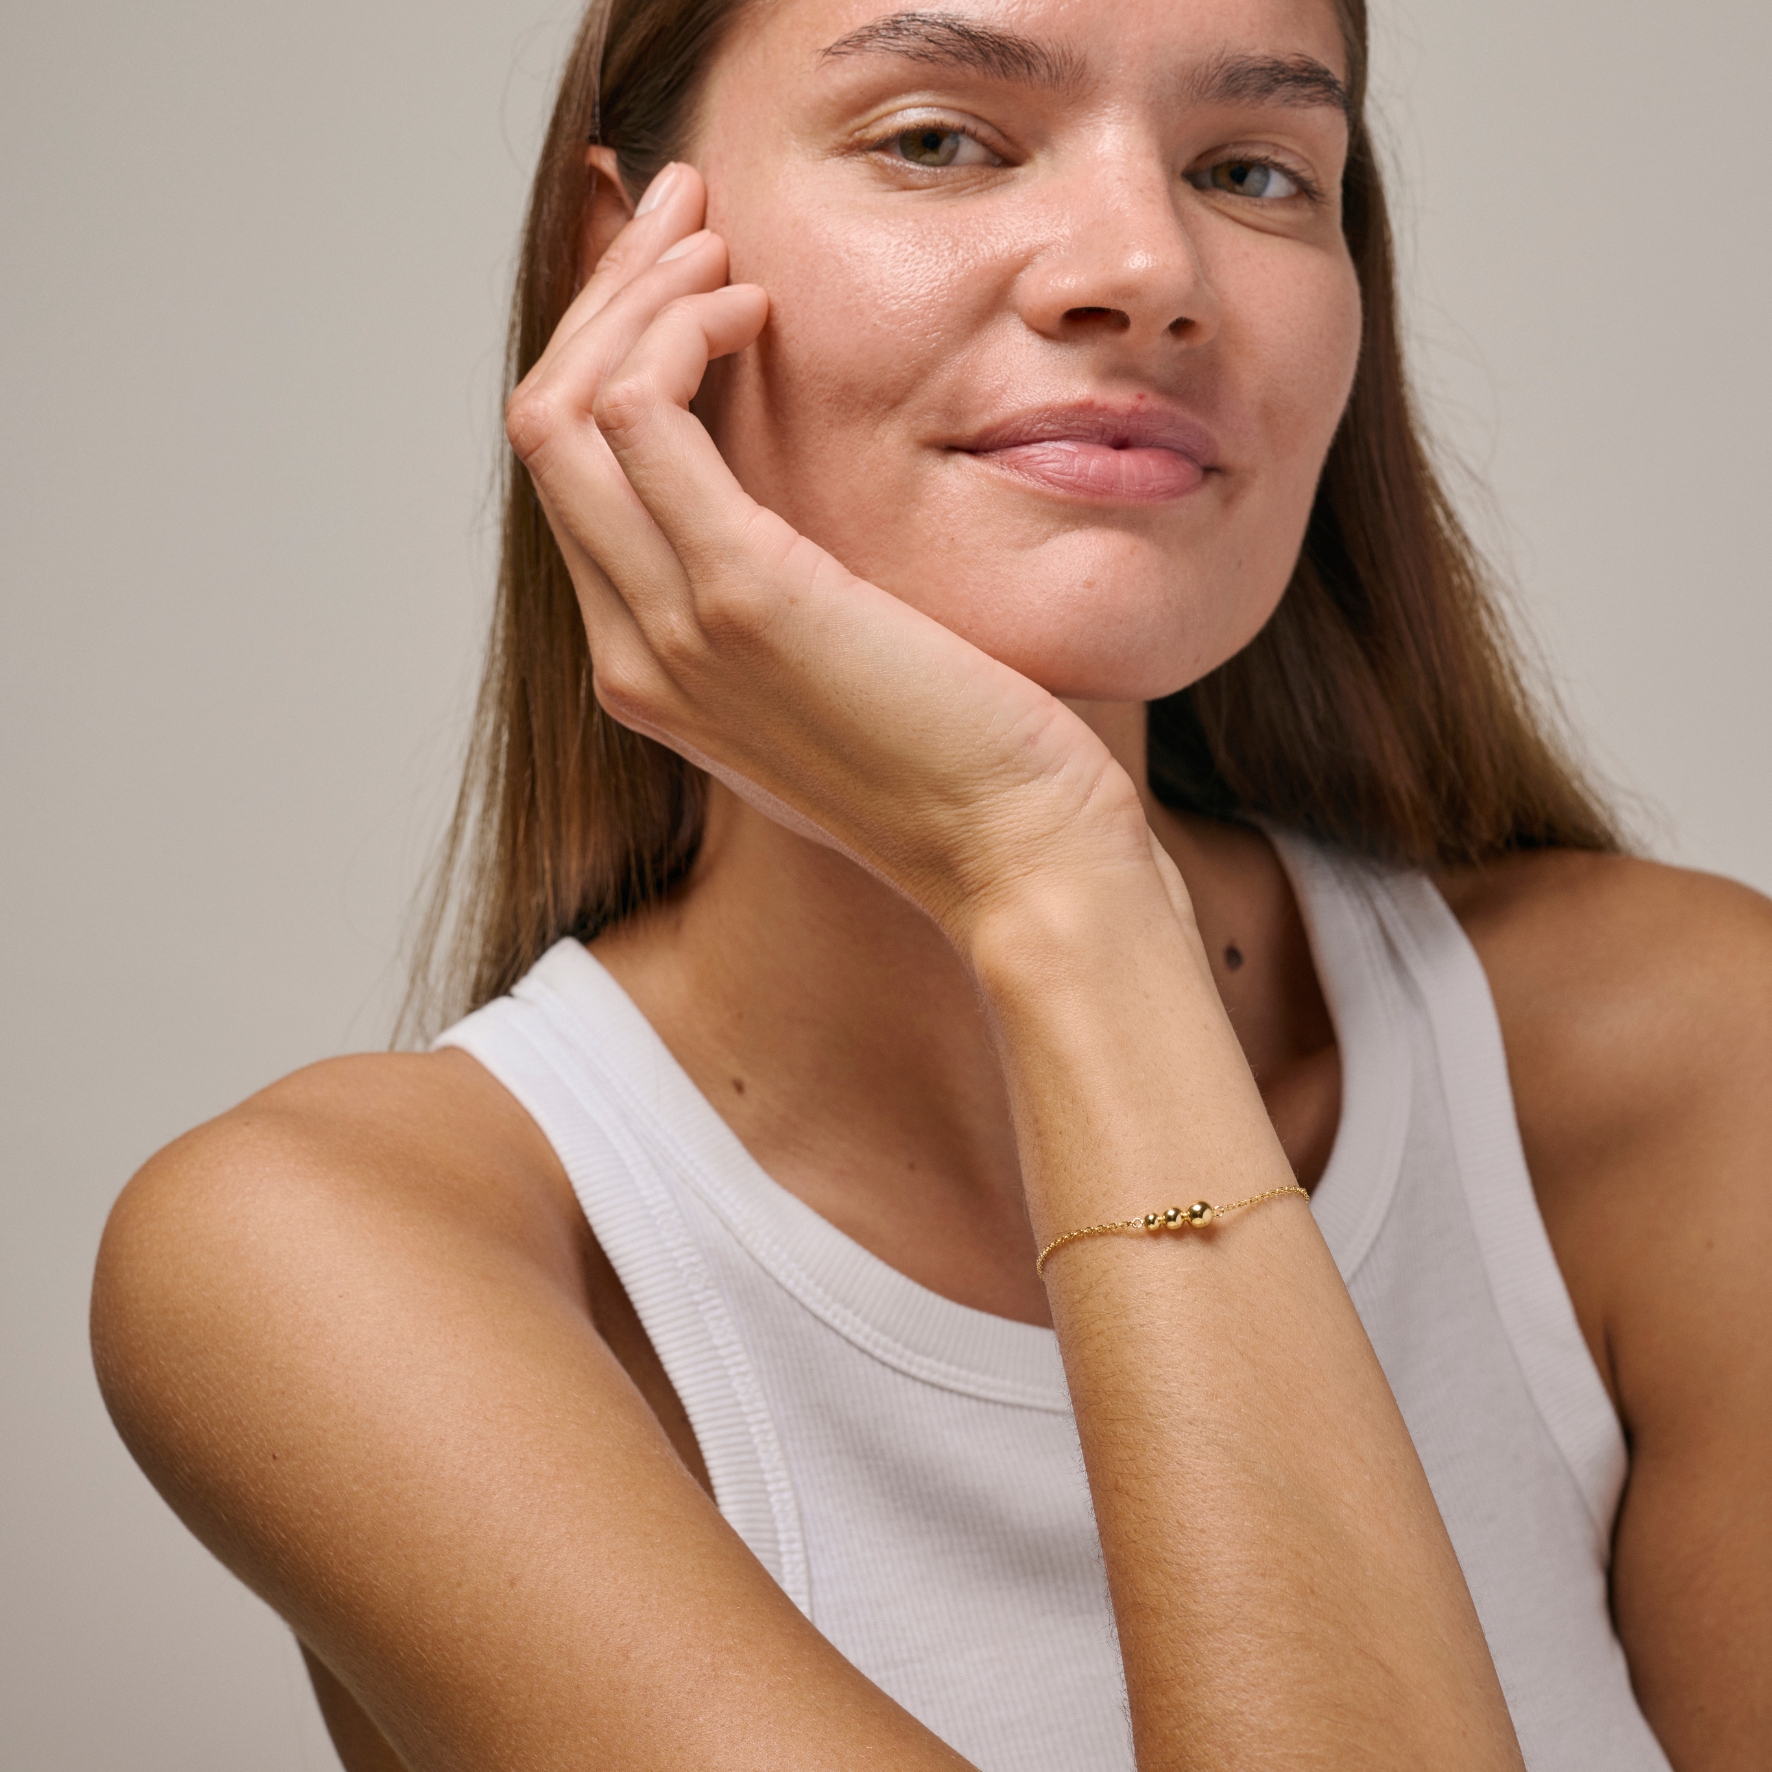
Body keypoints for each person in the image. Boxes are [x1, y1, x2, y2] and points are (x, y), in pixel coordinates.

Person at [90, 0, 1771, 1766]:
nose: (1147, 266)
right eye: (938, 138)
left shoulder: (1681, 1064)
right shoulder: (342, 1258)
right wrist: (1058, 879)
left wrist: (1058, 892)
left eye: (1253, 169)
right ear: (626, 259)